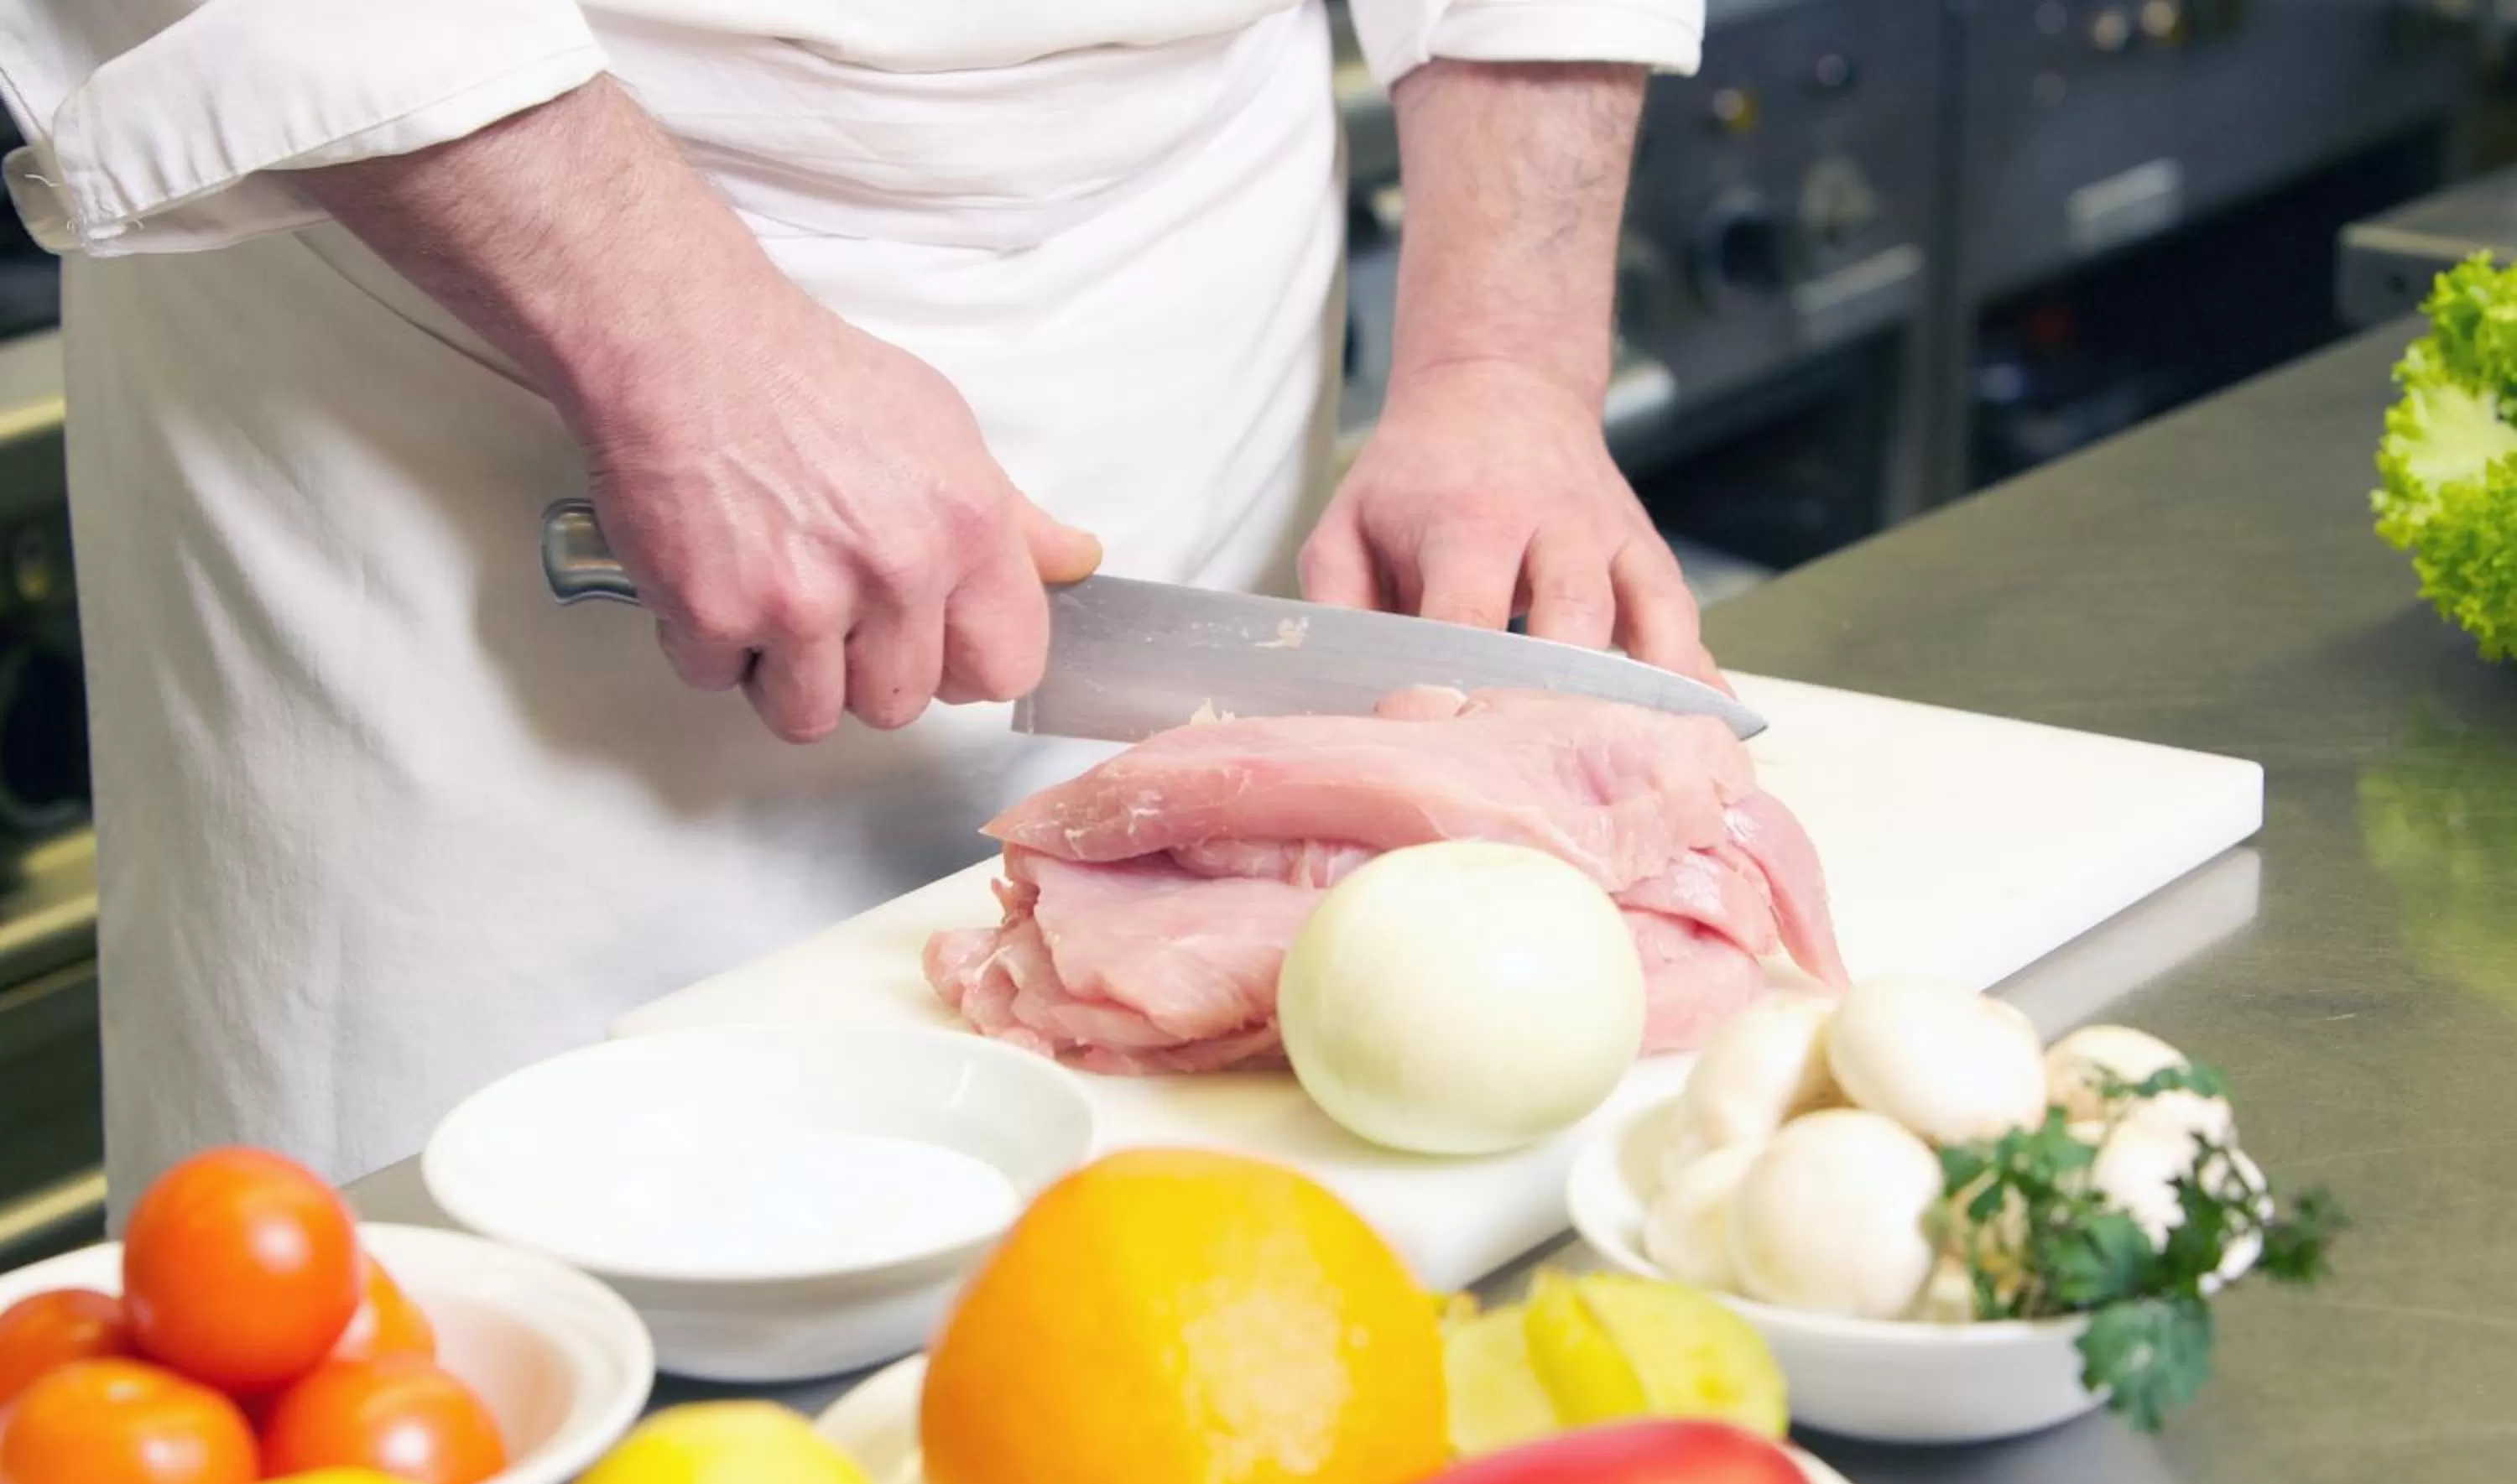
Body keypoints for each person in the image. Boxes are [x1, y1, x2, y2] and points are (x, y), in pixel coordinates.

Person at [0, 0, 1715, 1213]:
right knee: (453, 1344)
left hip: (1187, 269)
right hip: (455, 305)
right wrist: (664, 328)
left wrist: (1507, 356)